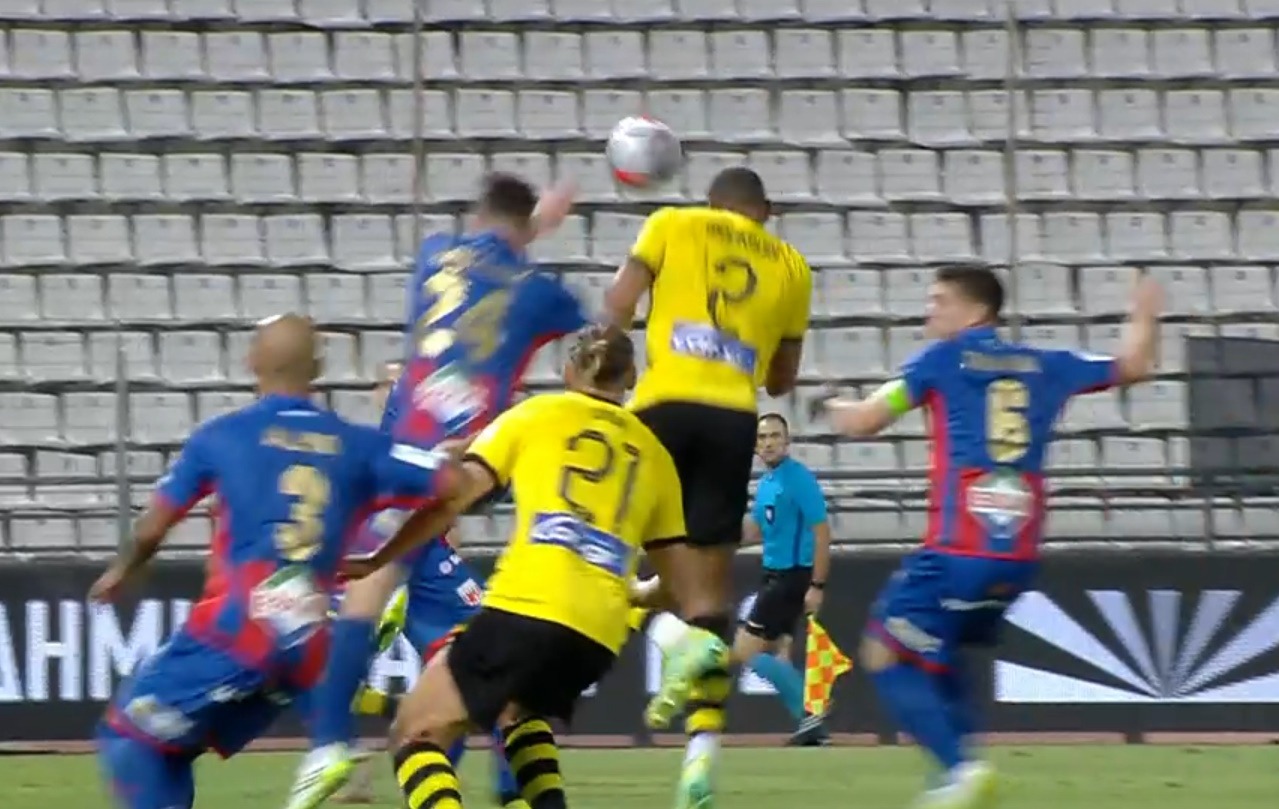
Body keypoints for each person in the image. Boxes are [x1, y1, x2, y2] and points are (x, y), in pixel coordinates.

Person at [286, 172, 587, 809]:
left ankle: (332, 747)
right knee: (458, 646)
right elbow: (599, 336)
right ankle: (356, 752)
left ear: (476, 215)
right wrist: (543, 227)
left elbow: (492, 250)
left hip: (401, 462)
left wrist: (531, 224)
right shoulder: (539, 291)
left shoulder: (433, 255)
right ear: (527, 225)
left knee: (381, 602)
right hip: (463, 464)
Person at [810, 265, 1161, 809]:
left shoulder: (939, 362)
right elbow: (1134, 365)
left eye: (939, 300)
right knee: (939, 653)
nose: (929, 311)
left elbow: (864, 421)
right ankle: (965, 772)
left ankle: (960, 768)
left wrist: (829, 404)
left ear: (976, 311)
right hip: (1017, 556)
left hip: (957, 548)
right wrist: (1144, 312)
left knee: (884, 652)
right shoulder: (1046, 364)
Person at [92, 314, 455, 809]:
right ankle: (331, 743)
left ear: (251, 361)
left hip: (237, 631)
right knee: (174, 746)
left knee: (130, 737)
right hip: (307, 642)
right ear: (319, 369)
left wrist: (123, 569)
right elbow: (453, 485)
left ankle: (331, 747)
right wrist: (382, 557)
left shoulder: (222, 437)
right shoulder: (359, 444)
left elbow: (152, 527)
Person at [341, 324, 703, 809]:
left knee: (415, 732)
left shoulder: (533, 415)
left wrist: (379, 558)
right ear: (632, 377)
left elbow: (453, 499)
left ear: (569, 371)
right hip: (597, 636)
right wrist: (638, 593)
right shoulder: (656, 456)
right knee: (518, 715)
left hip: (527, 606)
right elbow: (678, 584)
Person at [603, 166, 813, 808]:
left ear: (712, 202)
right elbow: (781, 379)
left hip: (663, 406)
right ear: (765, 211)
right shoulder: (792, 266)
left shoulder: (672, 223)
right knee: (709, 597)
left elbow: (618, 303)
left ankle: (666, 635)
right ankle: (700, 759)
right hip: (731, 418)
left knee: (610, 557)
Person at [743, 412, 832, 747]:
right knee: (779, 654)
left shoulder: (798, 479)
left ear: (787, 441)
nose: (768, 443)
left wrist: (817, 585)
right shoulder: (767, 483)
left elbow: (822, 532)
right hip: (774, 575)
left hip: (789, 577)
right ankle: (811, 726)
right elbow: (756, 530)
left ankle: (812, 710)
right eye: (762, 438)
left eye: (774, 436)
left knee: (746, 652)